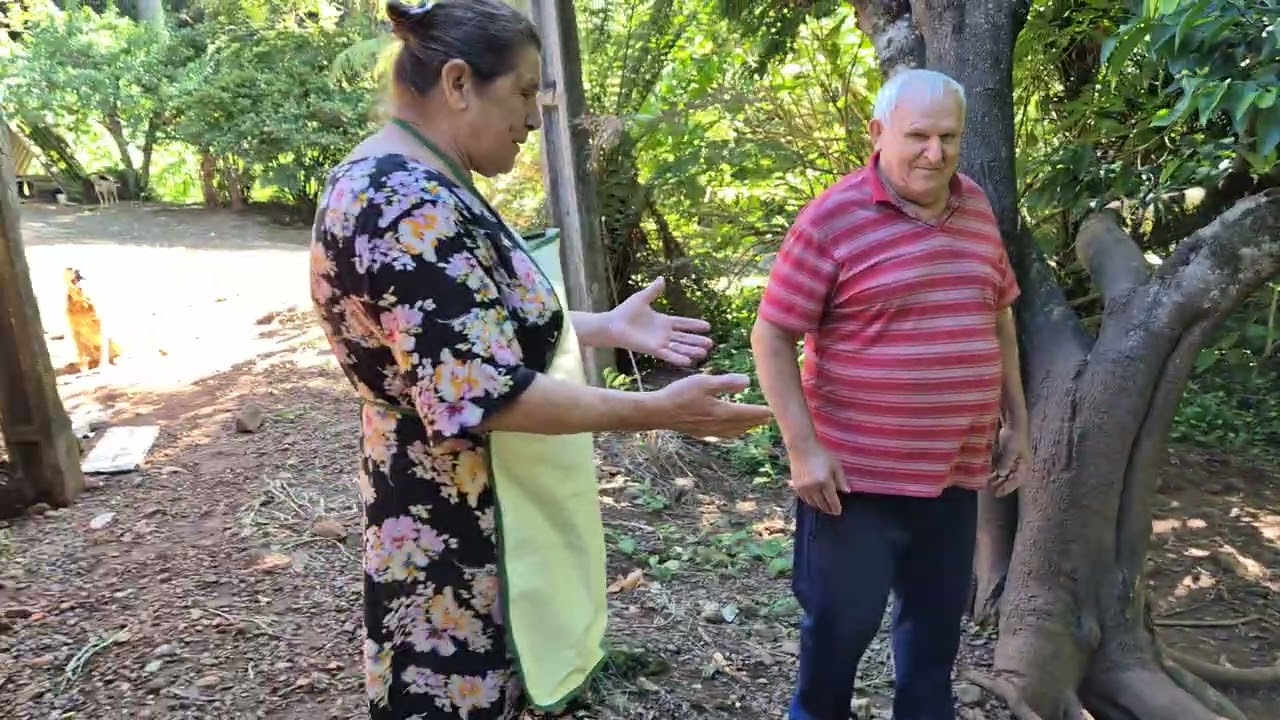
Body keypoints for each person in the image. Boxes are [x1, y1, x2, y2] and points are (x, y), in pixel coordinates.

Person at [309, 1, 773, 718]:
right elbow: (484, 395)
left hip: (454, 497)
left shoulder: (399, 174)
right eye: (525, 91)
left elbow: (457, 329)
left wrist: (598, 327)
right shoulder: (403, 201)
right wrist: (658, 411)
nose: (534, 116)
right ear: (459, 83)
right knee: (459, 692)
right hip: (455, 519)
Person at [750, 68, 1032, 720]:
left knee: (932, 648)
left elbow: (1000, 317)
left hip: (954, 477)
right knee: (837, 637)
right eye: (919, 136)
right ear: (878, 134)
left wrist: (1018, 422)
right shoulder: (832, 219)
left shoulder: (977, 208)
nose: (936, 153)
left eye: (948, 137)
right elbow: (771, 337)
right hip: (853, 483)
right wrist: (802, 450)